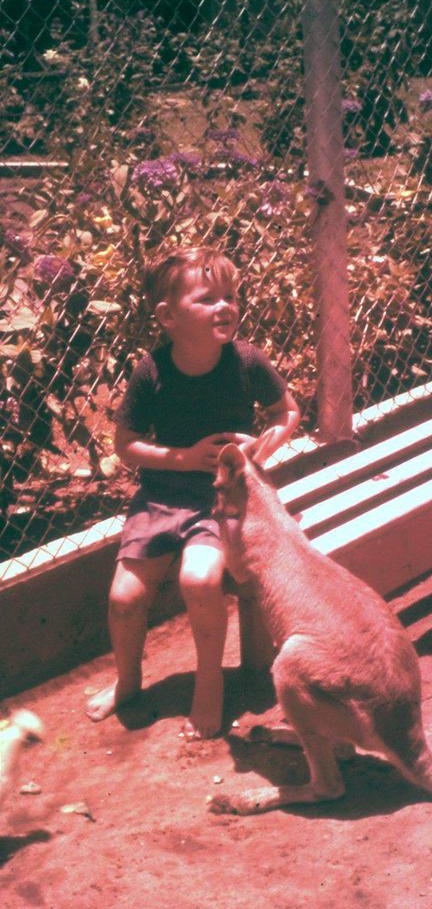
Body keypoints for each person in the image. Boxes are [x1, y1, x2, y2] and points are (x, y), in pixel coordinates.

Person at [86, 245, 300, 738]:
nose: (225, 306)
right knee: (123, 596)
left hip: (224, 501)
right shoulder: (152, 371)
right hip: (160, 497)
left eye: (230, 295)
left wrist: (261, 449)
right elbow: (126, 445)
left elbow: (287, 411)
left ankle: (210, 687)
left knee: (201, 581)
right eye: (207, 299)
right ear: (167, 317)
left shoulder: (246, 360)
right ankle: (127, 682)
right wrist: (181, 458)